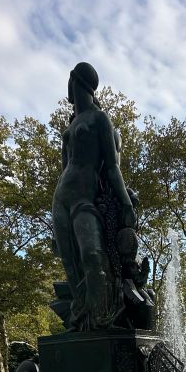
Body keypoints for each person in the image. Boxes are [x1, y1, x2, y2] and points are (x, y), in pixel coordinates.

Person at [51, 62, 137, 330]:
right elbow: (65, 169)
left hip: (84, 200)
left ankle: (104, 317)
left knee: (92, 255)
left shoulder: (99, 119)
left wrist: (125, 202)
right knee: (71, 264)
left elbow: (112, 167)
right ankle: (82, 321)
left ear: (75, 82)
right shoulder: (70, 128)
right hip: (61, 198)